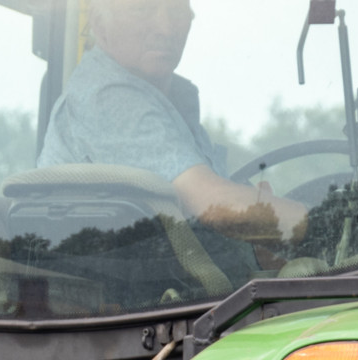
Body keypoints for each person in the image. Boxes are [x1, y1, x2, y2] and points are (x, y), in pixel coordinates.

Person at [37, 0, 308, 237]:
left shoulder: (166, 100)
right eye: (142, 8)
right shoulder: (109, 99)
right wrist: (321, 223)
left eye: (178, 10)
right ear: (100, 24)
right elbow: (214, 205)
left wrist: (257, 211)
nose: (166, 29)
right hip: (145, 293)